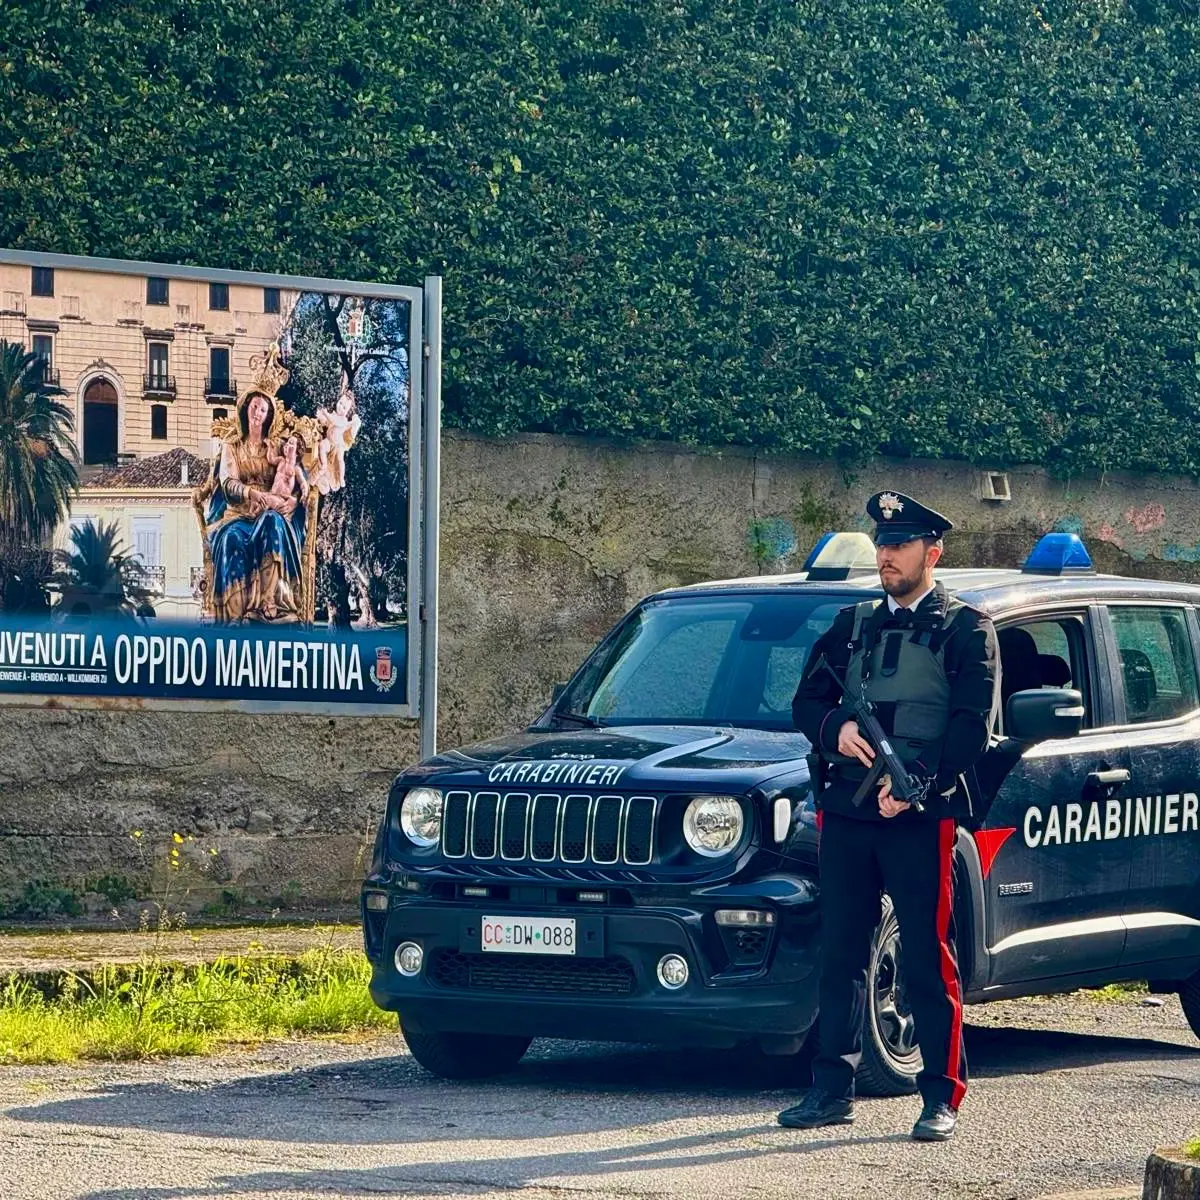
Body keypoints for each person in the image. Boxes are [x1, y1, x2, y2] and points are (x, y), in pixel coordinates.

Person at [778, 491, 999, 1143]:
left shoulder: (965, 629)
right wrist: (835, 727)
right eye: (880, 544)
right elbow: (805, 700)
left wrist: (916, 787)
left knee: (928, 959)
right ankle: (829, 1090)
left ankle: (941, 1094)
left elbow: (970, 730)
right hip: (848, 812)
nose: (886, 555)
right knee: (840, 953)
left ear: (933, 552)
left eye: (899, 545)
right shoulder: (851, 626)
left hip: (917, 816)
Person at [205, 390, 306, 624]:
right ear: (245, 409)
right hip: (239, 516)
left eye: (263, 409)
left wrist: (296, 499)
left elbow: (299, 476)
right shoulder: (232, 447)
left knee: (271, 521)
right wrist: (252, 493)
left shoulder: (276, 448)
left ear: (268, 416)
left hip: (272, 513)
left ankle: (269, 600)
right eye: (254, 407)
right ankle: (234, 617)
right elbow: (228, 482)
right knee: (230, 539)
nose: (257, 413)